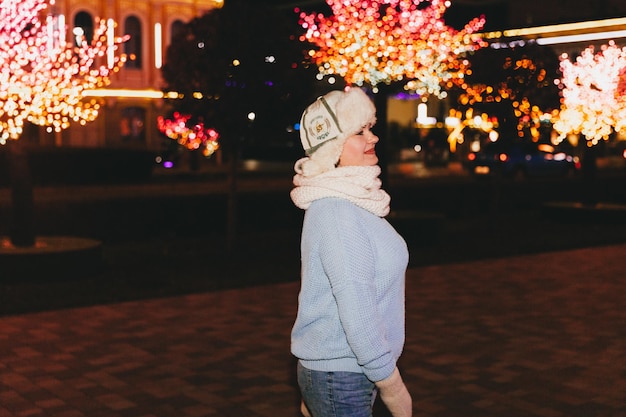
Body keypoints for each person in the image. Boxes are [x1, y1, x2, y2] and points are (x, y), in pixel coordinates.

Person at [290, 87, 412, 417]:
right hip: (344, 375)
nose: (372, 138)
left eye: (370, 128)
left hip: (342, 374)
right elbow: (356, 305)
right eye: (359, 132)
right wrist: (392, 385)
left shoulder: (352, 202)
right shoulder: (336, 210)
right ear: (332, 147)